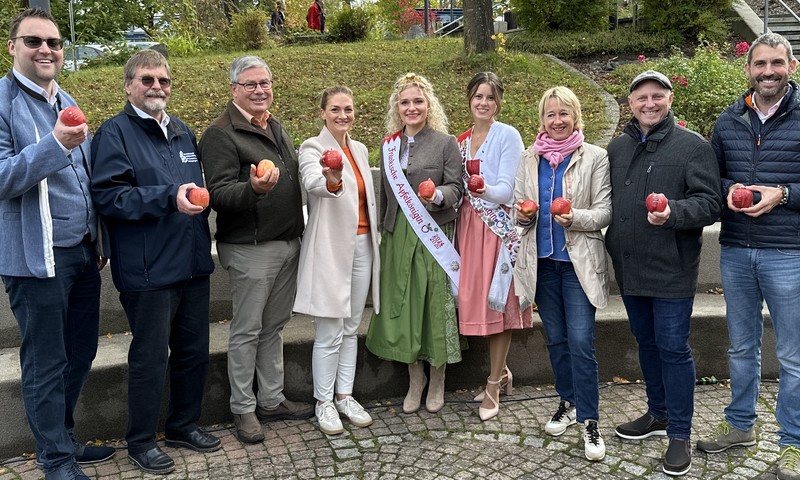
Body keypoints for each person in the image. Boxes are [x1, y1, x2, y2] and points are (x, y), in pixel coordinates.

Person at [90, 49, 220, 475]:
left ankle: (183, 424)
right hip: (147, 270)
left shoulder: (182, 132)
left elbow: (197, 189)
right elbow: (110, 197)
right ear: (128, 85)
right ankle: (141, 440)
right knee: (149, 359)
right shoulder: (114, 133)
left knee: (193, 353)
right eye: (146, 80)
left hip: (192, 263)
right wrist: (168, 197)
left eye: (163, 80)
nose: (156, 87)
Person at [0, 8, 116, 480]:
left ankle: (63, 436)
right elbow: (3, 177)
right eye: (33, 41)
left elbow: (85, 180)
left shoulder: (66, 97)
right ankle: (55, 460)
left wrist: (99, 237)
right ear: (12, 46)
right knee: (45, 361)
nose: (46, 49)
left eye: (54, 42)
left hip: (82, 252)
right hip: (35, 257)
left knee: (81, 351)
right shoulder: (3, 102)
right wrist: (54, 143)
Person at [605, 70, 722, 476]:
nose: (649, 103)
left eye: (657, 96)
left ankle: (680, 433)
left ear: (669, 99)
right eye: (641, 97)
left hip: (672, 267)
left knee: (673, 347)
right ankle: (658, 414)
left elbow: (711, 203)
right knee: (646, 343)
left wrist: (674, 212)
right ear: (631, 104)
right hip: (631, 266)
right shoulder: (617, 148)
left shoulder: (693, 147)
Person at [697, 32, 800, 480]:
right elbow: (710, 180)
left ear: (791, 67)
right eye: (760, 64)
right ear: (748, 69)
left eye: (777, 63)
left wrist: (783, 193)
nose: (768, 72)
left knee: (794, 355)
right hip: (737, 249)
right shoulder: (728, 120)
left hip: (789, 252)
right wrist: (730, 194)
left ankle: (793, 442)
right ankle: (741, 425)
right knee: (741, 346)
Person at [198, 55, 314, 444]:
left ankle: (271, 398)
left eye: (264, 83)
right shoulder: (220, 134)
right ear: (234, 90)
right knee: (248, 330)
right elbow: (218, 194)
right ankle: (243, 409)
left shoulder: (274, 125)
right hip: (250, 249)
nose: (260, 90)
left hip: (286, 244)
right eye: (251, 85)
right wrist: (254, 189)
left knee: (273, 328)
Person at [513, 86, 611, 461]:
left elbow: (604, 211)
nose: (557, 121)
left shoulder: (594, 157)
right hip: (542, 264)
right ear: (541, 120)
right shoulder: (528, 159)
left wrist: (576, 218)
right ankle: (568, 402)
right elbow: (517, 214)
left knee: (582, 341)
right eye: (550, 114)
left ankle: (589, 419)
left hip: (578, 265)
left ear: (576, 117)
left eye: (564, 113)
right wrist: (522, 216)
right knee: (555, 340)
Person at [365, 72, 463, 414]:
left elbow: (456, 189)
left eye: (418, 101)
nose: (411, 108)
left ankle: (437, 380)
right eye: (405, 102)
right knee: (404, 306)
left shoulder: (445, 142)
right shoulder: (388, 146)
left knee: (433, 307)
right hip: (397, 236)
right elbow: (384, 196)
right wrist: (383, 231)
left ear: (429, 104)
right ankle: (415, 379)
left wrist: (437, 195)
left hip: (432, 233)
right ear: (397, 107)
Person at [294, 86, 381, 435]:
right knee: (329, 331)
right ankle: (324, 402)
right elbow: (313, 181)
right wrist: (330, 181)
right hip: (331, 249)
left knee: (350, 327)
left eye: (348, 109)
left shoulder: (359, 149)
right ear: (322, 112)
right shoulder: (313, 148)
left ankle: (344, 395)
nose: (342, 115)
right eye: (335, 109)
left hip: (363, 246)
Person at [454, 72, 532, 422]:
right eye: (477, 96)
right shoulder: (462, 140)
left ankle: (493, 383)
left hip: (496, 230)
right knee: (479, 306)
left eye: (490, 97)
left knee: (497, 308)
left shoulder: (507, 135)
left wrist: (482, 188)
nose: (483, 102)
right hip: (469, 228)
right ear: (469, 99)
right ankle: (501, 373)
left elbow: (509, 191)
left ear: (498, 102)